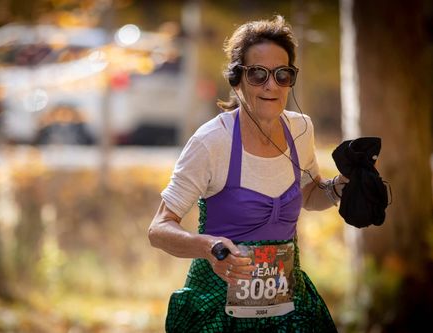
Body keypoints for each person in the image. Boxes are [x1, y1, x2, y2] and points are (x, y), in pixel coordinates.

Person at [148, 15, 346, 332]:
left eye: (282, 74)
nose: (271, 85)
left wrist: (341, 188)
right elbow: (158, 229)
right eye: (258, 74)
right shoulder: (212, 142)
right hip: (218, 311)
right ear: (237, 79)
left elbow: (309, 194)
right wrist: (208, 247)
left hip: (288, 310)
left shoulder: (301, 129)